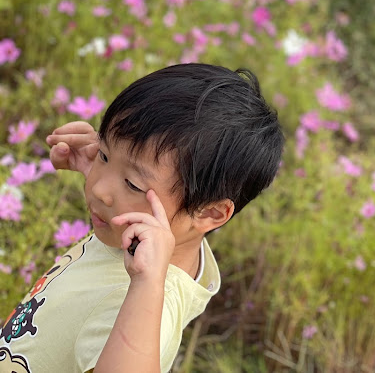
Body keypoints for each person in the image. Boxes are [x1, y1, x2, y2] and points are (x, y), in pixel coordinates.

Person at [0, 63, 284, 373]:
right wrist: (106, 169)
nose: (99, 189)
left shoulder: (143, 305)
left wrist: (146, 284)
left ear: (210, 212)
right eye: (104, 154)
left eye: (133, 184)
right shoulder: (146, 233)